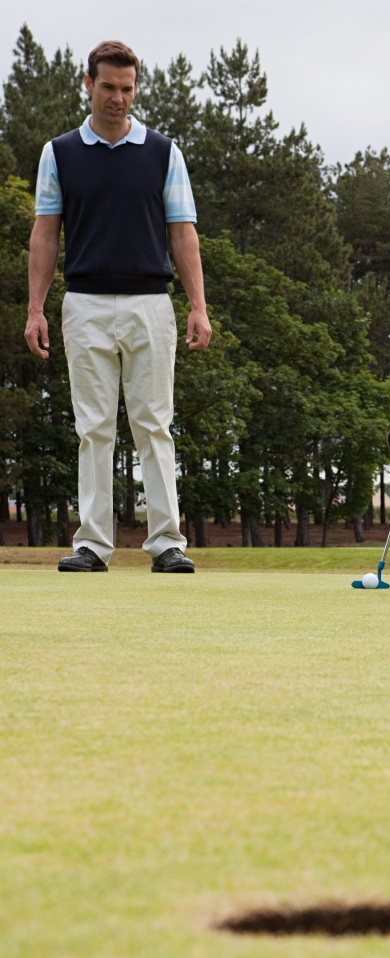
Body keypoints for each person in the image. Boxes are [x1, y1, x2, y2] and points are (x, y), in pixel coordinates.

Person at [24, 39, 211, 573]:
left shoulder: (163, 152)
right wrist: (35, 310)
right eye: (108, 87)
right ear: (88, 84)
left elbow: (183, 234)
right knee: (93, 426)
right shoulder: (58, 153)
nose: (118, 98)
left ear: (135, 89)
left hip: (151, 303)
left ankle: (167, 542)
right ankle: (93, 544)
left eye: (127, 89)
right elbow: (45, 235)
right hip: (83, 304)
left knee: (154, 424)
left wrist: (198, 306)